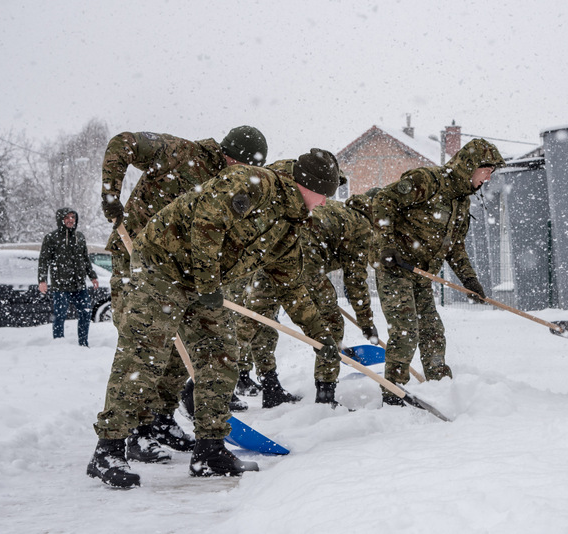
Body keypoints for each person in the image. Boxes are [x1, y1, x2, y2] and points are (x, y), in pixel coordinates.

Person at [87, 148, 342, 488]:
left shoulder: (289, 229)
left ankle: (209, 450)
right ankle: (108, 449)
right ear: (307, 185)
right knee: (145, 352)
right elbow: (206, 222)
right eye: (324, 194)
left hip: (203, 282)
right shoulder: (252, 182)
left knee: (221, 355)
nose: (324, 202)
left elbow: (291, 287)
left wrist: (320, 336)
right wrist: (207, 284)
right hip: (163, 264)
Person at [98, 126, 266, 462]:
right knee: (147, 344)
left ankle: (160, 420)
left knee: (184, 348)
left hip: (181, 271)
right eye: (243, 166)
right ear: (231, 155)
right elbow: (123, 142)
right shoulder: (180, 153)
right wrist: (111, 193)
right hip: (135, 257)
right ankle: (137, 432)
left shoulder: (230, 183)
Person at [372, 138, 504, 405]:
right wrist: (386, 245)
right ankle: (394, 395)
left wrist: (469, 279)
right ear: (470, 166)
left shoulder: (461, 202)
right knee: (406, 330)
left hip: (421, 274)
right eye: (486, 171)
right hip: (396, 267)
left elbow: (455, 247)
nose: (488, 179)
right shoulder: (427, 181)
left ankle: (441, 388)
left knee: (432, 331)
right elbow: (383, 200)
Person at [230, 183, 379, 409]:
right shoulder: (361, 225)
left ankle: (213, 383)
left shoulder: (338, 210)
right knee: (330, 325)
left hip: (274, 250)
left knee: (252, 320)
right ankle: (325, 396)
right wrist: (366, 322)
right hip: (303, 260)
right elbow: (355, 280)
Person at [37, 208, 99, 347]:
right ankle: (59, 344)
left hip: (79, 284)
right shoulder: (51, 238)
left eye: (73, 217)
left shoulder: (80, 237)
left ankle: (83, 343)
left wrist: (92, 276)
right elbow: (44, 261)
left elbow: (85, 259)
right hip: (61, 285)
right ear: (61, 220)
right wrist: (42, 280)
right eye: (67, 217)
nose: (71, 220)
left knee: (86, 312)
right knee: (60, 315)